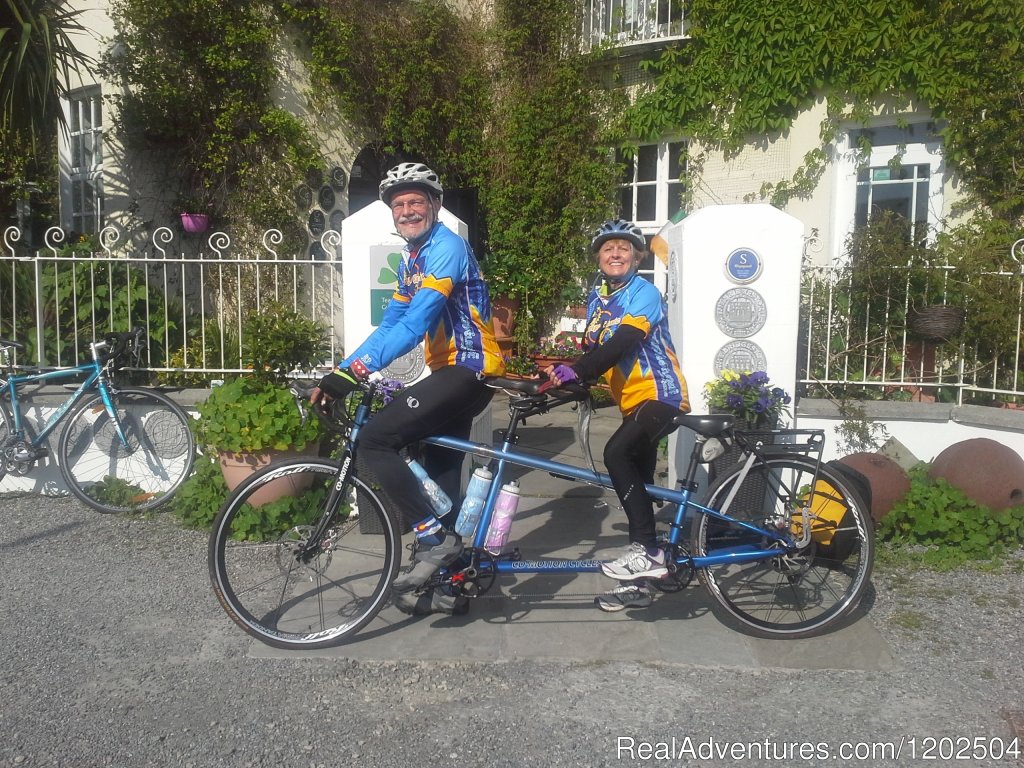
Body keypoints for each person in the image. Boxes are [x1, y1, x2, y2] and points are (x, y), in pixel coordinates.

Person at [312, 162, 505, 616]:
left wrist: (352, 375)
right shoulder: (413, 261)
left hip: (469, 367)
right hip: (451, 371)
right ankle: (451, 586)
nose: (407, 210)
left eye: (416, 201)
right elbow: (392, 325)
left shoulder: (447, 249)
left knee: (376, 439)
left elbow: (417, 323)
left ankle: (431, 537)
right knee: (440, 470)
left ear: (434, 206)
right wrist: (343, 369)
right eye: (399, 205)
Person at [544, 219, 690, 612]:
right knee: (637, 491)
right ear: (598, 259)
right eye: (607, 249)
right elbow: (596, 353)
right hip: (632, 402)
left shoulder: (644, 293)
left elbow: (625, 341)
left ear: (637, 257)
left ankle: (646, 550)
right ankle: (643, 582)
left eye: (624, 248)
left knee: (616, 454)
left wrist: (581, 370)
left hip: (659, 394)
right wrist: (567, 375)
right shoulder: (599, 301)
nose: (615, 254)